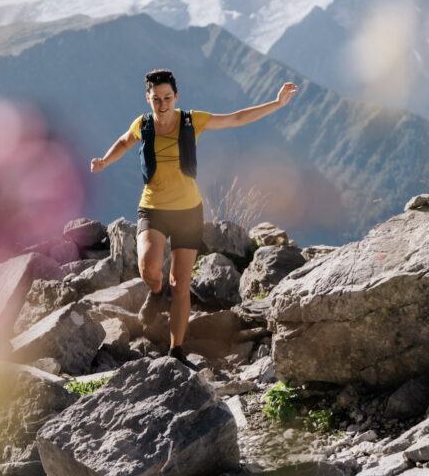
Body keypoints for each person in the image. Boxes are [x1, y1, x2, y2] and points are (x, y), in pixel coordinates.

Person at [90, 68, 298, 368]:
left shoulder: (191, 121)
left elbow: (236, 117)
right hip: (153, 208)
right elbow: (124, 142)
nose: (162, 103)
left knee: (181, 283)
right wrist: (104, 161)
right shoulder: (143, 124)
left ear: (176, 97)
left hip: (188, 211)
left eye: (167, 97)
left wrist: (276, 103)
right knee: (148, 267)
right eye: (156, 98)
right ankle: (157, 293)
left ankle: (176, 350)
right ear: (148, 98)